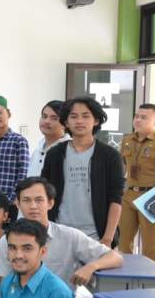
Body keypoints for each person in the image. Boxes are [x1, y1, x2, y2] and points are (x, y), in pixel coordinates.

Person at [8, 177, 123, 298]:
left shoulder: (70, 236)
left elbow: (115, 257)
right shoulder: (8, 239)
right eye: (26, 200)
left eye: (39, 200)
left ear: (50, 203)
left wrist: (91, 266)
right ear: (17, 203)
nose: (33, 206)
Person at [42, 96, 124, 249]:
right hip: (59, 233)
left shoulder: (110, 156)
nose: (79, 121)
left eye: (86, 116)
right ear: (66, 122)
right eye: (73, 116)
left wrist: (107, 239)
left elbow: (116, 199)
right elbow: (43, 194)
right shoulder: (54, 154)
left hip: (96, 237)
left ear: (96, 120)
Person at [118, 103, 155, 262]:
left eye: (144, 117)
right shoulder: (127, 139)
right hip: (129, 194)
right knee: (123, 241)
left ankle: (149, 280)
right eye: (137, 116)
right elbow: (122, 167)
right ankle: (126, 277)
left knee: (149, 243)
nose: (138, 120)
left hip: (151, 197)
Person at [27, 101, 69, 177]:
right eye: (44, 116)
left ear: (65, 123)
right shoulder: (38, 149)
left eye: (54, 118)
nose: (47, 121)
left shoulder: (69, 150)